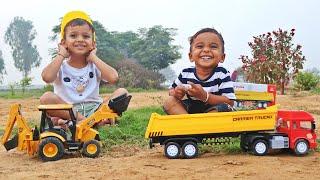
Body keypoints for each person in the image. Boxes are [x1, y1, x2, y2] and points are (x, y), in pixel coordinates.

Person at [40, 10, 128, 126]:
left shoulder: (95, 65)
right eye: (73, 36)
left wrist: (94, 58)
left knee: (122, 92)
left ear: (93, 43)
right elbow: (46, 77)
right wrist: (61, 55)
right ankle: (86, 122)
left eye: (86, 36)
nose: (80, 39)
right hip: (69, 111)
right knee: (46, 98)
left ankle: (83, 123)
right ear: (63, 42)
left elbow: (113, 78)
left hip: (95, 109)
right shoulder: (60, 66)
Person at [163, 28, 236, 114]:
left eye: (213, 46)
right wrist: (176, 93)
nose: (206, 50)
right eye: (200, 46)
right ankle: (189, 123)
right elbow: (171, 90)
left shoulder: (222, 73)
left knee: (225, 108)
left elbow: (230, 101)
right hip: (190, 110)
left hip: (213, 109)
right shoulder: (186, 73)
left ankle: (202, 125)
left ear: (222, 57)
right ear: (191, 56)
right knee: (169, 102)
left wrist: (205, 96)